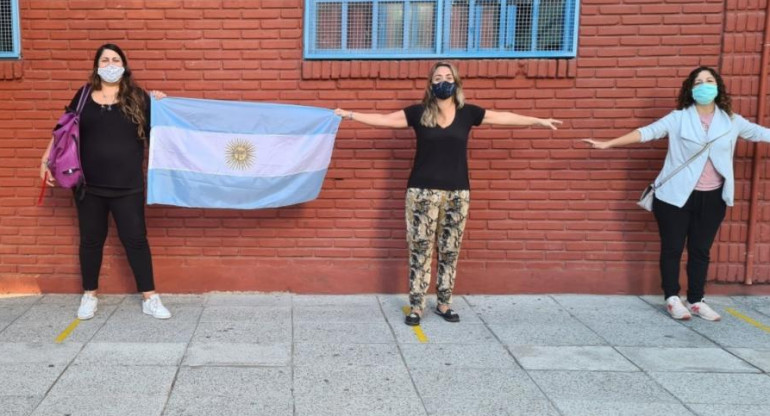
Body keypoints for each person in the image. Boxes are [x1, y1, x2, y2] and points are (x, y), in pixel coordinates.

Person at [335, 61, 562, 326]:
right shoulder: (419, 112)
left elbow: (502, 117)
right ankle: (417, 306)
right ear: (431, 83)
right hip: (421, 192)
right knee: (420, 249)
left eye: (448, 76)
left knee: (450, 250)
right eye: (438, 77)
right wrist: (349, 114)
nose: (443, 81)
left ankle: (444, 303)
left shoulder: (468, 113)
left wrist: (537, 121)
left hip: (457, 193)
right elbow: (385, 120)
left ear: (456, 82)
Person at [583, 66, 770, 321]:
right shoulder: (678, 118)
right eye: (698, 82)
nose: (704, 86)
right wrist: (609, 143)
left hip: (713, 197)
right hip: (674, 197)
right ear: (691, 90)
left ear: (718, 88)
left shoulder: (731, 121)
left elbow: (760, 133)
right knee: (672, 248)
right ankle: (672, 297)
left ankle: (696, 300)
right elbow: (647, 132)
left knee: (700, 250)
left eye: (709, 81)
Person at [39, 44, 171, 320]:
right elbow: (63, 129)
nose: (110, 64)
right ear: (97, 65)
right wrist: (45, 160)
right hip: (89, 185)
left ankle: (150, 297)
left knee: (136, 240)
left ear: (124, 64)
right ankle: (89, 295)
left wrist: (161, 103)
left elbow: (162, 131)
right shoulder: (84, 94)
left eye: (115, 59)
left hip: (128, 185)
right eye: (105, 60)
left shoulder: (138, 97)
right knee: (90, 241)